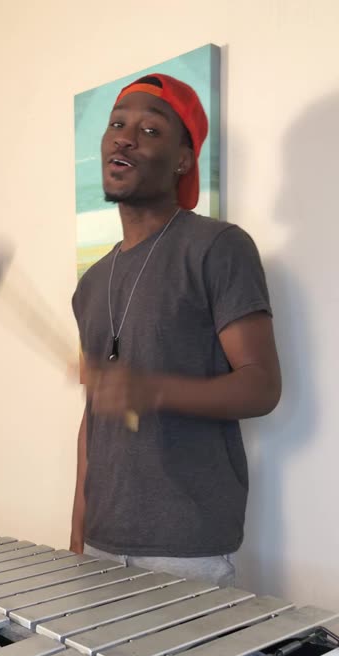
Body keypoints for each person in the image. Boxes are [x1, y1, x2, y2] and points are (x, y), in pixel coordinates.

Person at [70, 73, 281, 587]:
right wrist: (77, 534)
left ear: (183, 159)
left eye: (150, 130)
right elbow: (94, 417)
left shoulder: (219, 247)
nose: (124, 138)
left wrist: (154, 389)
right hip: (99, 541)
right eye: (117, 124)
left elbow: (262, 385)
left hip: (187, 546)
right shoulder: (91, 283)